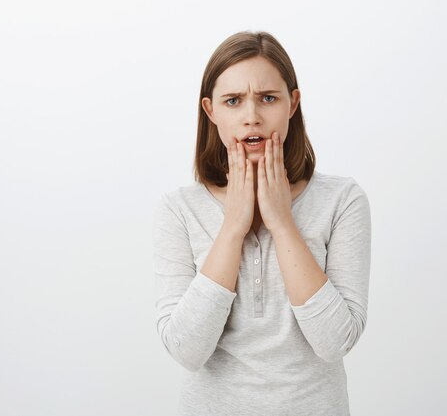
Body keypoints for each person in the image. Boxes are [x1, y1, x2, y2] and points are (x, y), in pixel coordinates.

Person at [152, 30, 372, 416]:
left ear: (292, 103)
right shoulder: (178, 209)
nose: (251, 116)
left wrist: (283, 223)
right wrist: (233, 226)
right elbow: (186, 350)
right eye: (233, 101)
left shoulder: (342, 201)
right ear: (211, 111)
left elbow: (335, 342)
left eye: (267, 98)